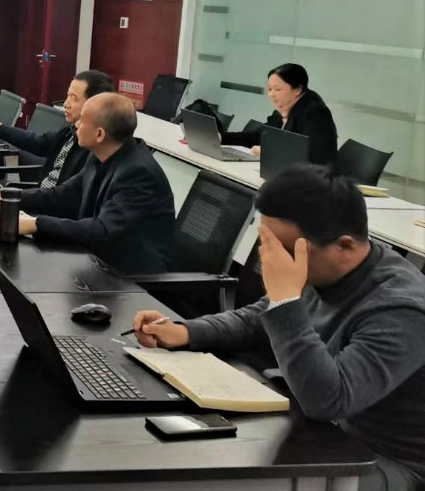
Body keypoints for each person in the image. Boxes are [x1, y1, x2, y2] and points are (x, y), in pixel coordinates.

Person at [131, 165, 425, 490]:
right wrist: (186, 332)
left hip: (385, 462)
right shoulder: (323, 268)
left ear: (345, 246)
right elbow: (258, 317)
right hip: (322, 431)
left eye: (283, 249)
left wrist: (286, 300)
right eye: (265, 243)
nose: (272, 260)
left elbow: (329, 399)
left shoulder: (402, 308)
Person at [0, 93, 177, 275]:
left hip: (133, 277)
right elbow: (62, 195)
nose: (76, 125)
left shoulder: (137, 173)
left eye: (82, 121)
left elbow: (102, 230)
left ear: (99, 134)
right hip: (97, 262)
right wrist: (6, 198)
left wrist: (36, 224)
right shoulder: (101, 155)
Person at [0, 70, 114, 188]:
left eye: (74, 98)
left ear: (93, 104)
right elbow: (37, 142)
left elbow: (65, 198)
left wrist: (18, 199)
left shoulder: (95, 150)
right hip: (40, 201)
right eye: (67, 96)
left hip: (50, 211)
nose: (66, 104)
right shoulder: (69, 132)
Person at [220, 63, 338, 165]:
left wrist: (268, 152)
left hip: (310, 179)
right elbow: (260, 135)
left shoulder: (316, 113)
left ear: (298, 90)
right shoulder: (283, 109)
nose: (271, 95)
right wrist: (221, 137)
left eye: (277, 89)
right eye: (269, 89)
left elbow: (312, 155)